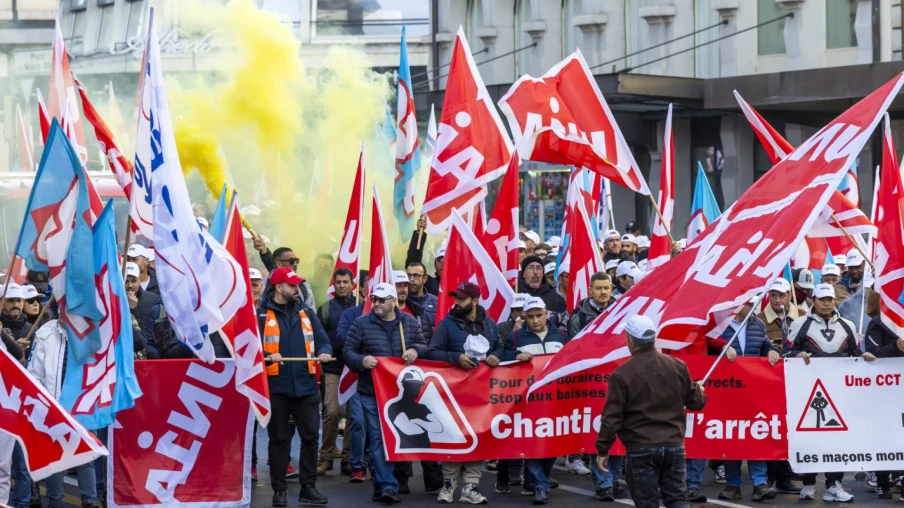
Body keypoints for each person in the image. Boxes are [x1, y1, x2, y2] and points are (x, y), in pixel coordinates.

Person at [596, 315, 707, 508]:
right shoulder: (677, 366)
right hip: (673, 445)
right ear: (653, 338)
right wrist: (699, 390)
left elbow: (611, 418)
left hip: (641, 447)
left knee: (646, 502)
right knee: (676, 499)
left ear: (630, 341)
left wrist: (603, 449)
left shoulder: (622, 374)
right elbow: (696, 403)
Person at [787, 283, 875, 502]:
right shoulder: (799, 325)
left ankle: (833, 485)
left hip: (840, 395)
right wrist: (796, 355)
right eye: (822, 299)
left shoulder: (848, 325)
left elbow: (854, 354)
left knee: (837, 440)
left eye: (830, 299)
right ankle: (808, 484)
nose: (827, 303)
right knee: (810, 437)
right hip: (807, 394)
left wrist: (864, 359)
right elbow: (786, 352)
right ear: (814, 301)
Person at [344, 283, 427, 504]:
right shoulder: (361, 324)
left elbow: (423, 344)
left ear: (393, 301)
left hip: (400, 393)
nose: (377, 303)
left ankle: (381, 484)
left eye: (382, 300)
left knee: (396, 437)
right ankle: (389, 485)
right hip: (371, 392)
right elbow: (348, 352)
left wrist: (414, 350)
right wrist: (361, 361)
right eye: (375, 299)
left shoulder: (408, 323)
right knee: (379, 438)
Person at [258, 267, 332, 507]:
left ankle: (307, 488)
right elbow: (249, 350)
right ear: (279, 288)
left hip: (306, 387)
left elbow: (323, 341)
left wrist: (324, 352)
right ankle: (279, 490)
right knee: (279, 440)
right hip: (276, 387)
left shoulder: (307, 313)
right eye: (291, 285)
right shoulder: (260, 315)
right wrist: (268, 355)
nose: (296, 288)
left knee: (310, 438)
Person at [426, 282, 502, 504]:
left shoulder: (489, 324)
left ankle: (471, 486)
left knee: (477, 436)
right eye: (456, 298)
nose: (456, 302)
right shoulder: (446, 325)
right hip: (453, 393)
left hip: (481, 394)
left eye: (461, 299)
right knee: (453, 436)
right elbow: (432, 352)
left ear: (474, 301)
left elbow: (500, 346)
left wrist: (496, 355)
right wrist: (454, 358)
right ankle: (449, 483)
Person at [27, 319, 100, 508]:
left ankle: (90, 501)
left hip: (84, 405)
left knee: (87, 456)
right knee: (55, 457)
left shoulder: (94, 329)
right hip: (54, 406)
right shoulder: (45, 333)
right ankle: (55, 503)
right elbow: (34, 374)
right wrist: (42, 405)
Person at [502, 297, 569, 504]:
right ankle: (540, 485)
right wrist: (515, 355)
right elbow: (503, 360)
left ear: (546, 313)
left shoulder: (561, 335)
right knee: (532, 443)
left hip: (555, 400)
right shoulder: (515, 338)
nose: (535, 320)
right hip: (527, 401)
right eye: (530, 316)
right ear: (524, 317)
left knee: (551, 445)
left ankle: (536, 479)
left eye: (539, 315)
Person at [717, 300, 782, 502]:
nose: (755, 306)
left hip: (753, 390)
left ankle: (759, 484)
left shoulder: (758, 324)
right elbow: (707, 349)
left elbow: (763, 346)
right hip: (729, 390)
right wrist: (721, 350)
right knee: (732, 437)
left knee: (756, 435)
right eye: (751, 303)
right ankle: (732, 485)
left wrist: (772, 351)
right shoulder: (720, 324)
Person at [569, 273, 624, 499]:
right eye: (598, 288)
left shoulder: (622, 311)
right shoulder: (579, 318)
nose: (603, 292)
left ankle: (613, 477)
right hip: (592, 383)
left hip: (618, 381)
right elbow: (573, 351)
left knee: (619, 431)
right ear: (590, 290)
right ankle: (605, 482)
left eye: (606, 288)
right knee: (597, 431)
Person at [390, 270, 443, 494]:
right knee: (401, 430)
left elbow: (424, 342)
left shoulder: (416, 312)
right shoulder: (382, 314)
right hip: (392, 379)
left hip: (420, 376)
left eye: (404, 285)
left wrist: (414, 349)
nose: (403, 288)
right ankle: (401, 477)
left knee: (425, 424)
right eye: (398, 285)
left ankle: (431, 475)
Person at [315, 268, 357, 476]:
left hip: (356, 369)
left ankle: (349, 458)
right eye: (338, 282)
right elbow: (318, 337)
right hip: (333, 369)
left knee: (352, 415)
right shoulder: (325, 309)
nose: (342, 285)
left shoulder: (363, 307)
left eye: (346, 282)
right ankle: (326, 456)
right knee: (331, 412)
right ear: (334, 284)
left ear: (353, 284)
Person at [864, 314, 904, 500]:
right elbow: (872, 352)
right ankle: (881, 481)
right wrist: (895, 347)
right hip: (884, 389)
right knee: (886, 435)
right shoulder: (879, 321)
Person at [252, 238, 316, 309]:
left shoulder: (303, 285)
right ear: (279, 264)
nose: (295, 264)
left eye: (296, 260)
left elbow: (311, 311)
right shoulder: (264, 287)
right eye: (291, 261)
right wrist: (264, 252)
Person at [518, 257, 567, 330]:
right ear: (523, 274)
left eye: (539, 268)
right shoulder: (514, 296)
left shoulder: (557, 300)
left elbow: (564, 328)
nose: (535, 272)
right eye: (530, 268)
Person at [125, 262, 161, 356]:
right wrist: (129, 309)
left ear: (140, 279)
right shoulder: (114, 300)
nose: (130, 285)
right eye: (126, 281)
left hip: (148, 356)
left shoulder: (152, 299)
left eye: (133, 281)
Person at [404, 216, 443, 296]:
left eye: (447, 261)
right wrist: (419, 234)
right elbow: (413, 264)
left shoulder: (460, 285)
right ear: (435, 264)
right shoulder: (429, 283)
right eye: (440, 261)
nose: (443, 264)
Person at [1, 284, 34, 360]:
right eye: (10, 300)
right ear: (1, 302)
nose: (15, 305)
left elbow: (33, 366)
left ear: (23, 302)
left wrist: (19, 352)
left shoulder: (32, 330)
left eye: (19, 300)